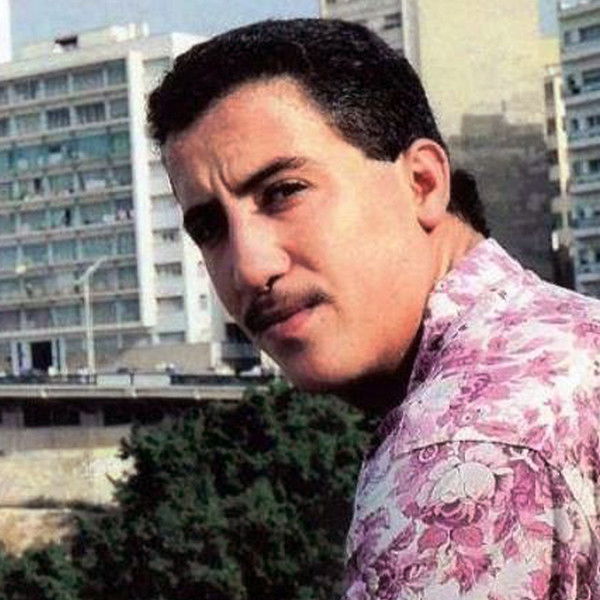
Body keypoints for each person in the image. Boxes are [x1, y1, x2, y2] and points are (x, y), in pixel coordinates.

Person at [148, 19, 600, 599]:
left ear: (422, 182)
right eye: (210, 229)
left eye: (284, 192)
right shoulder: (573, 335)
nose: (249, 268)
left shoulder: (457, 459)